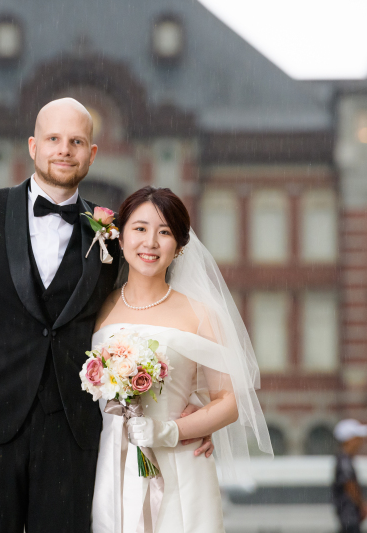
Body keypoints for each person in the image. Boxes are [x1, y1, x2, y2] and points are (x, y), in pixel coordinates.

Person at [0, 98, 211, 533]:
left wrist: (193, 410)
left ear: (92, 153)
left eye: (76, 141)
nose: (64, 150)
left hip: (73, 433)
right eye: (53, 139)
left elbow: (143, 311)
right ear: (33, 146)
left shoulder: (109, 234)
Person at [92, 186, 273, 533]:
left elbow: (230, 400)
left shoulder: (201, 314)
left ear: (178, 247)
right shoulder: (98, 307)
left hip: (180, 465)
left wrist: (172, 430)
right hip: (111, 462)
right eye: (140, 228)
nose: (151, 242)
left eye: (164, 233)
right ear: (120, 235)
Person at [332, 419, 367, 533]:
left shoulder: (345, 459)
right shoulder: (344, 460)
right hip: (348, 512)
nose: (360, 442)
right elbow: (349, 484)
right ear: (349, 440)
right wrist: (361, 504)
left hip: (347, 512)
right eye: (357, 439)